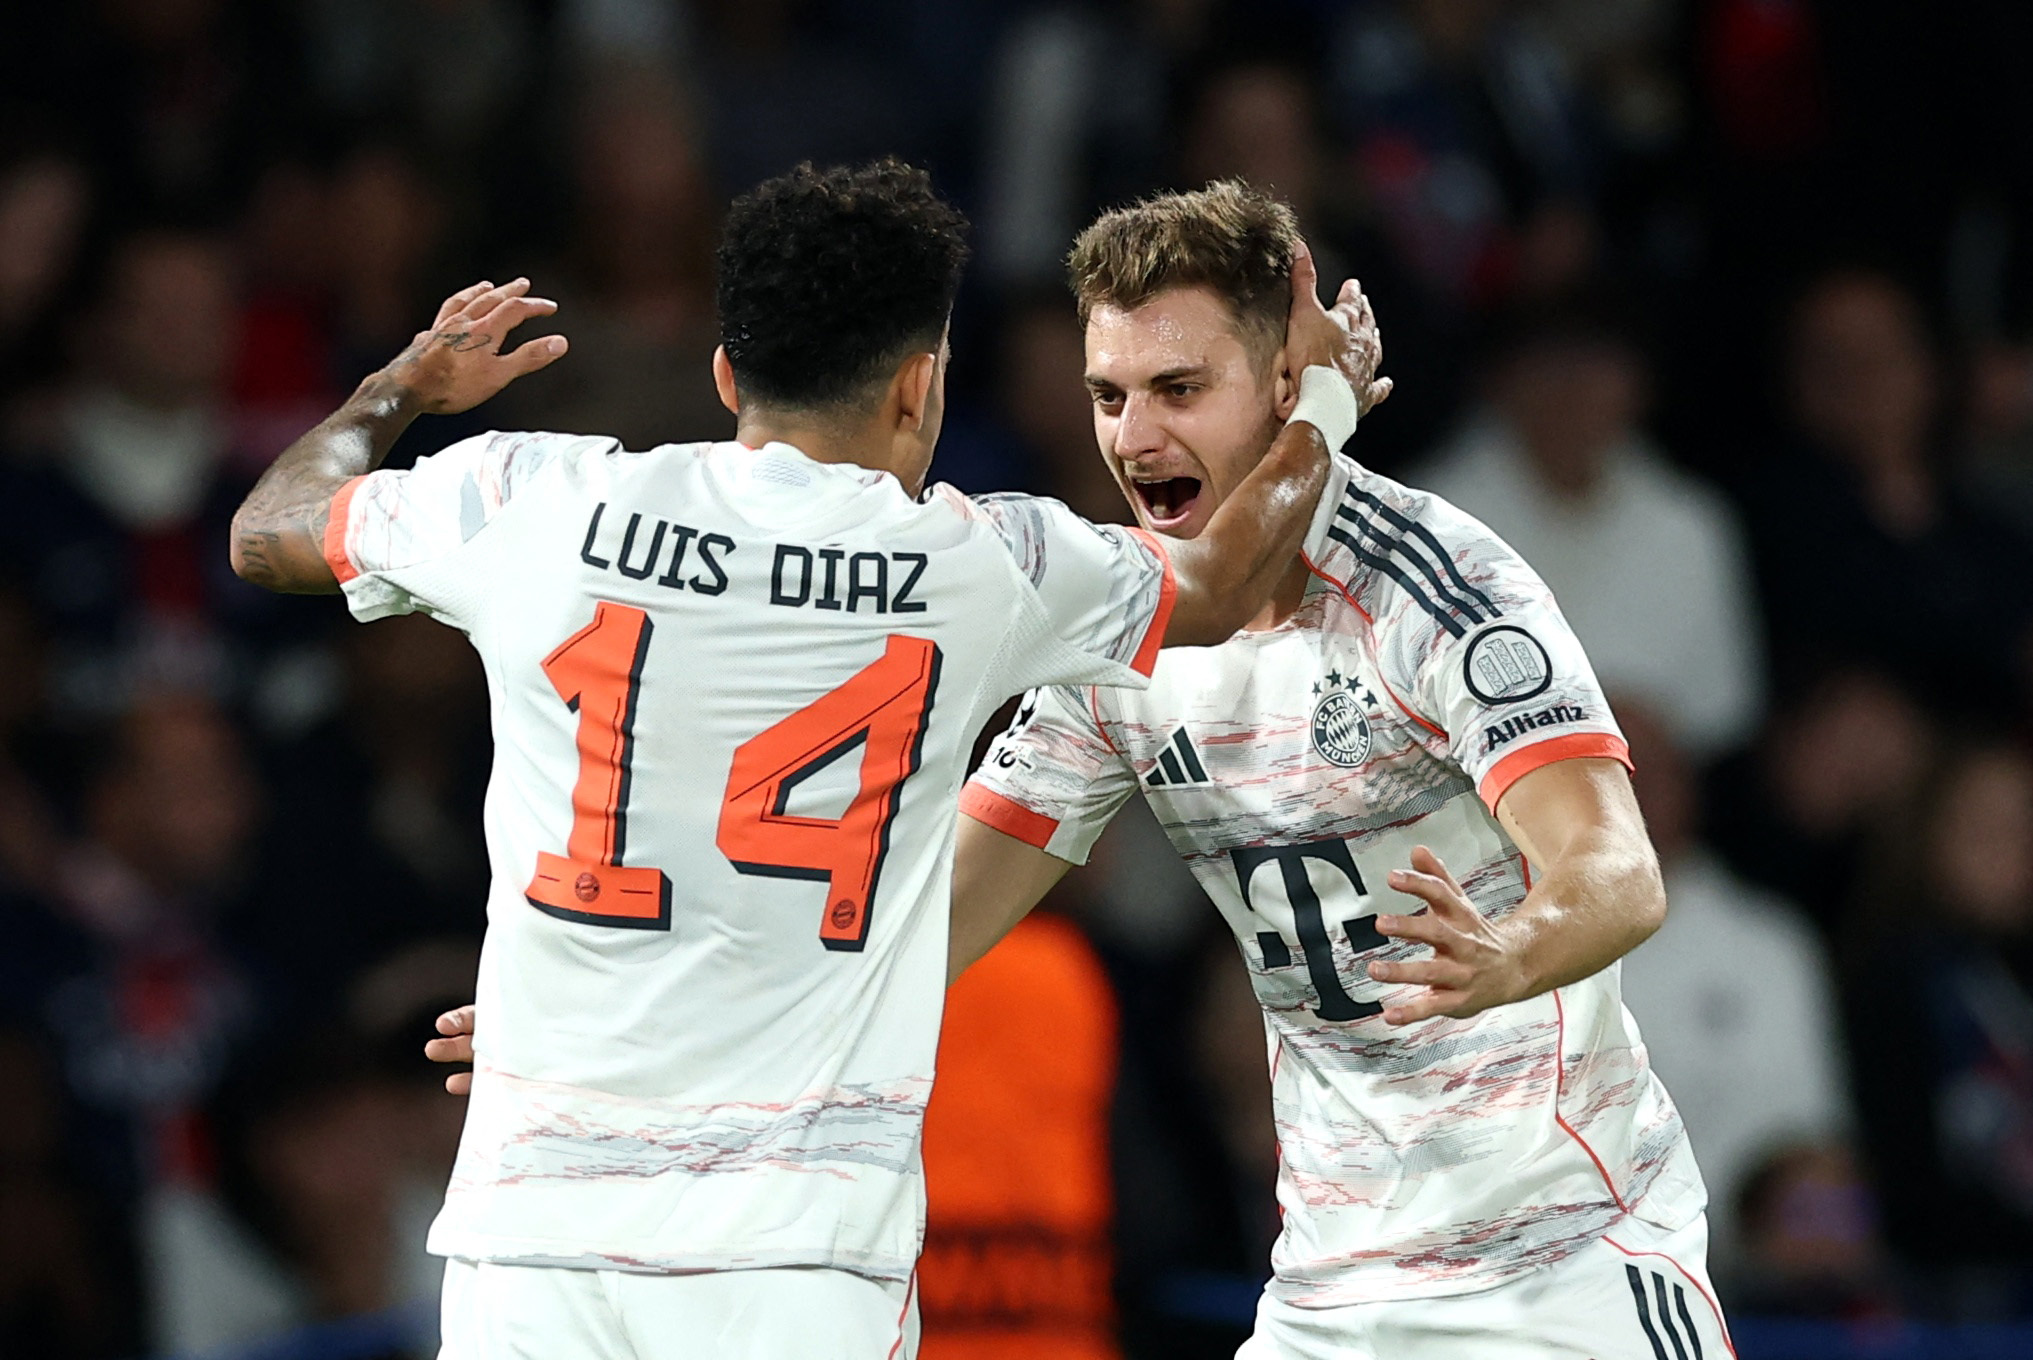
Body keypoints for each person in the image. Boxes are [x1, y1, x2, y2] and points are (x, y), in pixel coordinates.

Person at [229, 159, 1389, 1360]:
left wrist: (397, 389)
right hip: (792, 1260)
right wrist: (1325, 399)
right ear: (917, 383)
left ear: (726, 374)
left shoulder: (531, 496)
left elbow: (266, 536)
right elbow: (1223, 579)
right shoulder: (978, 563)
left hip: (534, 1240)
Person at [953, 182, 1726, 1357]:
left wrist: (1508, 949)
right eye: (1108, 396)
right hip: (1329, 1296)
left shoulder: (1432, 586)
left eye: (1177, 389)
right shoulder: (1119, 634)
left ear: (1284, 383)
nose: (1133, 438)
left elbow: (1618, 871)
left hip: (1565, 1268)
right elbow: (937, 924)